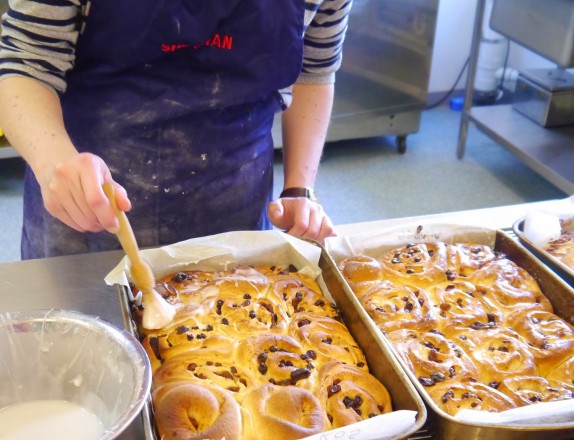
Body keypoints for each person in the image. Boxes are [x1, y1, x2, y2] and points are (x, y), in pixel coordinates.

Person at [0, 0, 352, 260]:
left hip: (234, 203)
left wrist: (299, 189)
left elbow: (314, 70)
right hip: (87, 212)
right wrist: (52, 162)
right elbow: (25, 63)